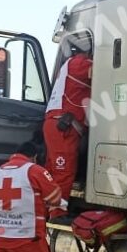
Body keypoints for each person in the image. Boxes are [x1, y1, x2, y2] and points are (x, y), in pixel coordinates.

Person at [43, 39, 93, 219]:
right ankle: (57, 212)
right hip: (63, 125)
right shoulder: (79, 63)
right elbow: (102, 73)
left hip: (58, 123)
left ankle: (44, 209)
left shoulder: (67, 65)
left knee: (52, 171)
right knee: (63, 171)